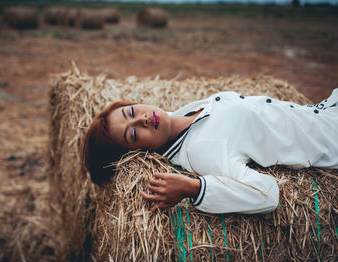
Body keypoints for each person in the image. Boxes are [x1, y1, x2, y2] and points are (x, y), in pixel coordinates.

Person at [82, 89, 338, 214]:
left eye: (131, 112)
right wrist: (194, 188)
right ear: (137, 154)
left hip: (327, 110)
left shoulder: (183, 114)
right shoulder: (199, 151)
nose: (143, 119)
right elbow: (267, 194)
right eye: (134, 134)